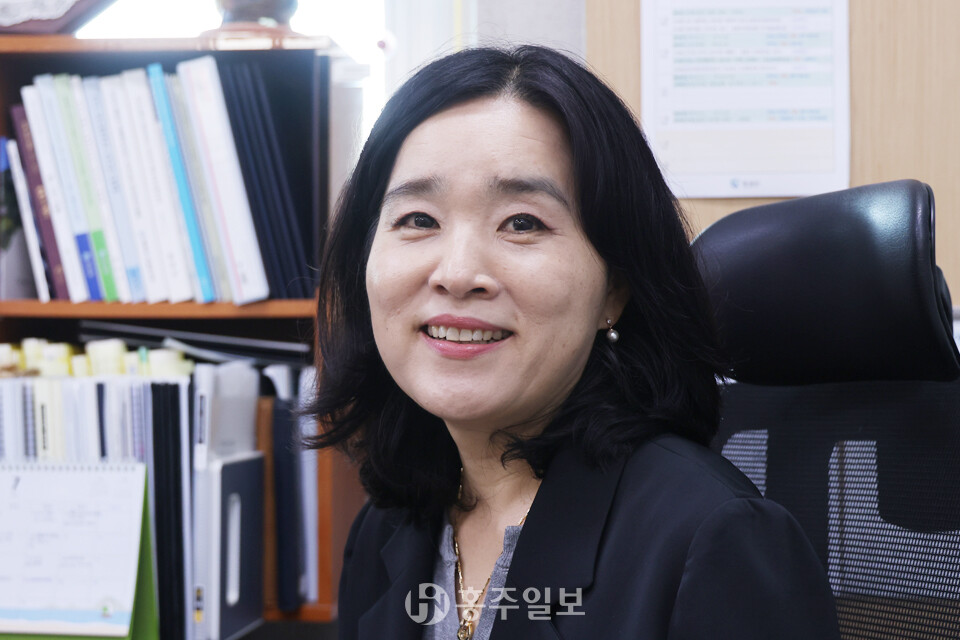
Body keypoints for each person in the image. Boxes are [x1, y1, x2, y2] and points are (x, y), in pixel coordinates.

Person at [308, 45, 841, 640]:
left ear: (615, 287)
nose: (456, 274)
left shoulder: (713, 541)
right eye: (418, 220)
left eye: (522, 223)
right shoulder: (388, 528)